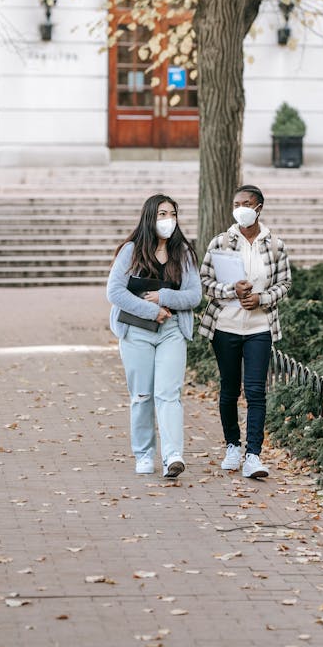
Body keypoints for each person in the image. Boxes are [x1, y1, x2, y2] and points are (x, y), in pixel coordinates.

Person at [199, 185, 291, 480]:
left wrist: (261, 299)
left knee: (255, 391)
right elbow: (205, 282)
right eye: (236, 203)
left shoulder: (275, 244)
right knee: (229, 390)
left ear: (259, 207)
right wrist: (231, 290)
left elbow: (284, 283)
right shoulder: (220, 242)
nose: (240, 208)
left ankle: (253, 455)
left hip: (259, 328)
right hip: (225, 326)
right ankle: (232, 446)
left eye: (246, 203)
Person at [107, 194, 201, 479]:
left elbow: (194, 295)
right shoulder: (131, 251)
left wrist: (163, 297)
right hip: (137, 332)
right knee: (142, 395)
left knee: (168, 394)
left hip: (172, 331)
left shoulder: (183, 253)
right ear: (150, 217)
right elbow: (115, 292)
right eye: (162, 214)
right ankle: (144, 453)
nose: (168, 220)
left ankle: (173, 455)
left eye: (172, 213)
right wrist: (151, 310)